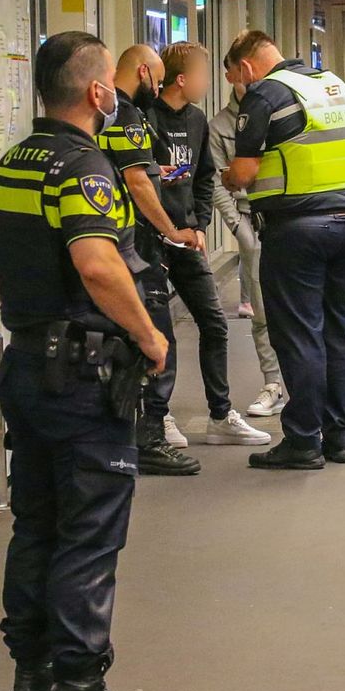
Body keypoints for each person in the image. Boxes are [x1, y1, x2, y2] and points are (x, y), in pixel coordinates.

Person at [0, 31, 171, 691]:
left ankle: (30, 681)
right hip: (84, 379)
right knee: (89, 536)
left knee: (36, 525)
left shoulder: (13, 161)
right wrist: (149, 338)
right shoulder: (83, 166)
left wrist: (32, 319)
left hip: (28, 365)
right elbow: (96, 263)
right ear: (97, 93)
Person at [221, 30, 345, 469]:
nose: (238, 88)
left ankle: (303, 440)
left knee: (299, 334)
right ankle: (341, 437)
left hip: (296, 231)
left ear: (246, 67)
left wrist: (228, 177)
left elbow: (244, 173)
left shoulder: (265, 94)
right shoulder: (332, 85)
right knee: (337, 331)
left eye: (235, 79)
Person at [148, 41, 270, 446]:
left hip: (186, 237)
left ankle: (221, 414)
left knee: (214, 325)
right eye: (201, 75)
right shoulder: (144, 119)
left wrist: (200, 224)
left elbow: (204, 178)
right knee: (159, 331)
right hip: (151, 240)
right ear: (181, 79)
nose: (208, 83)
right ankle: (159, 417)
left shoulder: (198, 120)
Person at [97, 44, 201, 477]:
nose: (157, 88)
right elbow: (137, 182)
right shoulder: (127, 116)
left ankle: (124, 437)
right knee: (158, 341)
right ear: (143, 71)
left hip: (115, 242)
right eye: (155, 79)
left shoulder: (103, 117)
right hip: (136, 246)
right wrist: (169, 230)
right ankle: (151, 438)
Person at [209, 52, 285, 417]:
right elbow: (215, 181)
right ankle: (274, 383)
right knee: (261, 314)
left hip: (288, 220)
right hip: (250, 221)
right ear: (232, 76)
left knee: (299, 308)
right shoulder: (221, 126)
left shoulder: (281, 109)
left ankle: (307, 383)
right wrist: (238, 228)